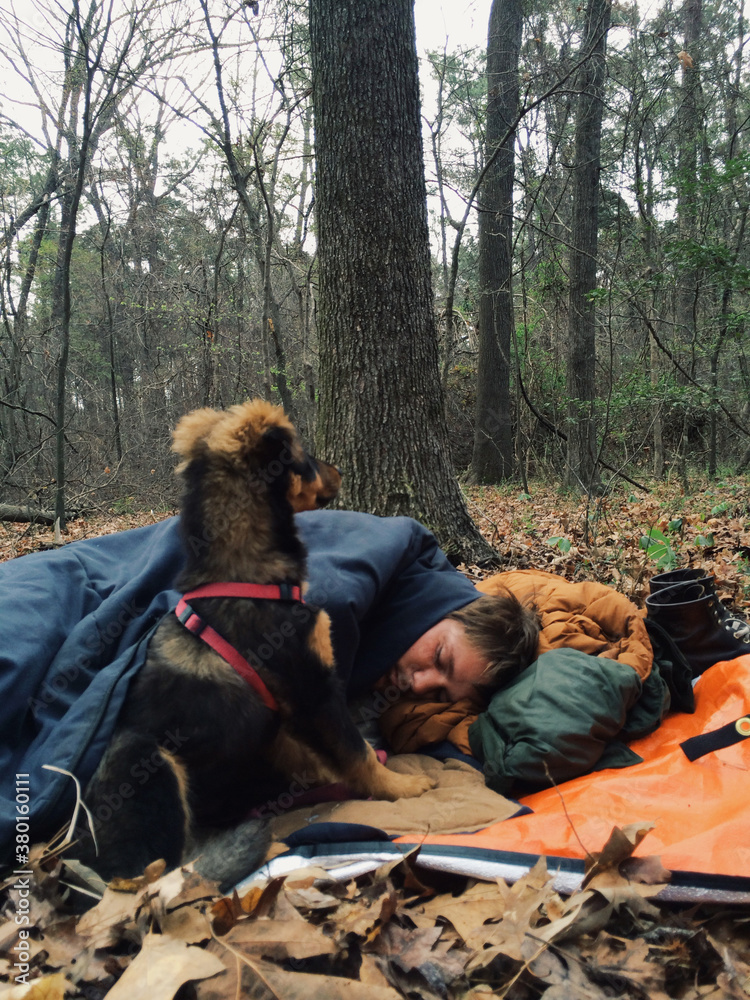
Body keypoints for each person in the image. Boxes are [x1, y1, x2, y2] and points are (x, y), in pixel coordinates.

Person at [0, 508, 539, 860]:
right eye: (439, 656)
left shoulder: (385, 656)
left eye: (442, 692)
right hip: (85, 584)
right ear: (442, 608)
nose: (421, 681)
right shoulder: (364, 568)